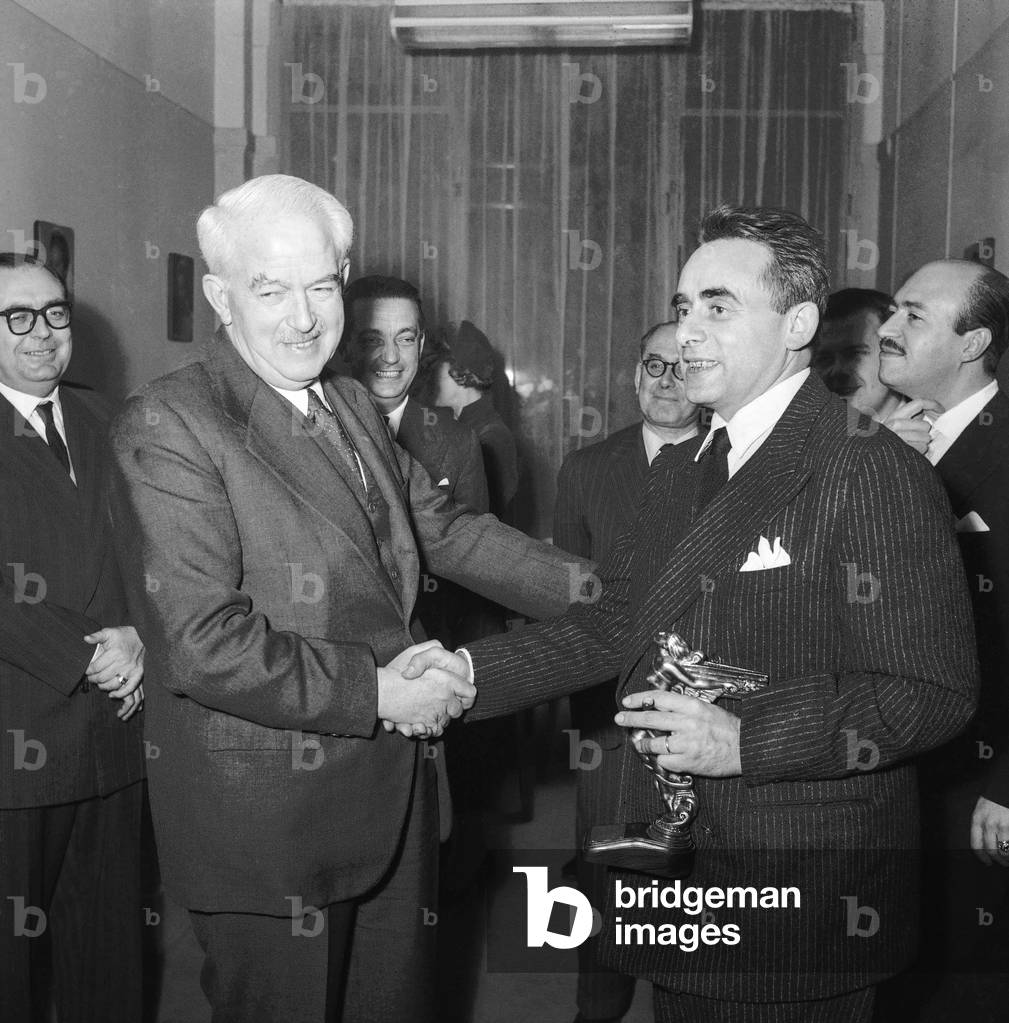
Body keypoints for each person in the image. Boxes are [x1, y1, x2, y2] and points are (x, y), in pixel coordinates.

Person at [408, 205, 979, 1022]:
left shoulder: (867, 468)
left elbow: (932, 689)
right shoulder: (688, 466)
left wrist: (746, 738)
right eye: (682, 308)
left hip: (800, 896)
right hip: (686, 882)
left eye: (718, 306)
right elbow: (612, 625)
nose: (687, 333)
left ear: (798, 323)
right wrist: (462, 674)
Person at [107, 174, 588, 1023]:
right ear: (221, 297)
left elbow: (444, 526)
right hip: (270, 831)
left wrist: (598, 591)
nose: (303, 317)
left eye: (321, 285)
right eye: (270, 289)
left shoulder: (352, 402)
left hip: (393, 805)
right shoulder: (172, 423)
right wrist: (379, 691)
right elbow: (200, 640)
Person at [0, 252, 145, 1022]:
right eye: (15, 316)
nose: (41, 333)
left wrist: (141, 638)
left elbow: (157, 548)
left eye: (54, 313)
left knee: (110, 959)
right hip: (15, 747)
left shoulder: (109, 416)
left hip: (115, 736)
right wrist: (91, 653)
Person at [554, 321, 700, 1023]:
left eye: (682, 367)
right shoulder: (585, 468)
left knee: (690, 884)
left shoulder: (732, 465)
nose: (667, 381)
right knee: (605, 876)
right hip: (608, 721)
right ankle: (597, 1008)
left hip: (702, 720)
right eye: (653, 365)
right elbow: (566, 599)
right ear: (634, 374)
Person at [874, 259, 1009, 1014]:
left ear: (972, 342)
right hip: (905, 753)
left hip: (978, 775)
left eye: (913, 316)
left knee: (967, 967)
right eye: (892, 311)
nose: (887, 331)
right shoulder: (895, 437)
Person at [340, 273, 489, 647]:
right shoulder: (310, 427)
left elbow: (479, 578)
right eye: (372, 339)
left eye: (405, 338)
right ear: (344, 345)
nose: (390, 356)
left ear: (421, 345)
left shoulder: (457, 442)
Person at [433, 319, 519, 519]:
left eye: (436, 371)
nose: (430, 379)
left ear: (463, 374)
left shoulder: (491, 438)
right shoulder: (460, 427)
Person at [811, 287, 903, 420]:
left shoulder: (938, 434)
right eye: (824, 358)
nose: (837, 370)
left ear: (895, 353)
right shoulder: (800, 433)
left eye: (853, 354)